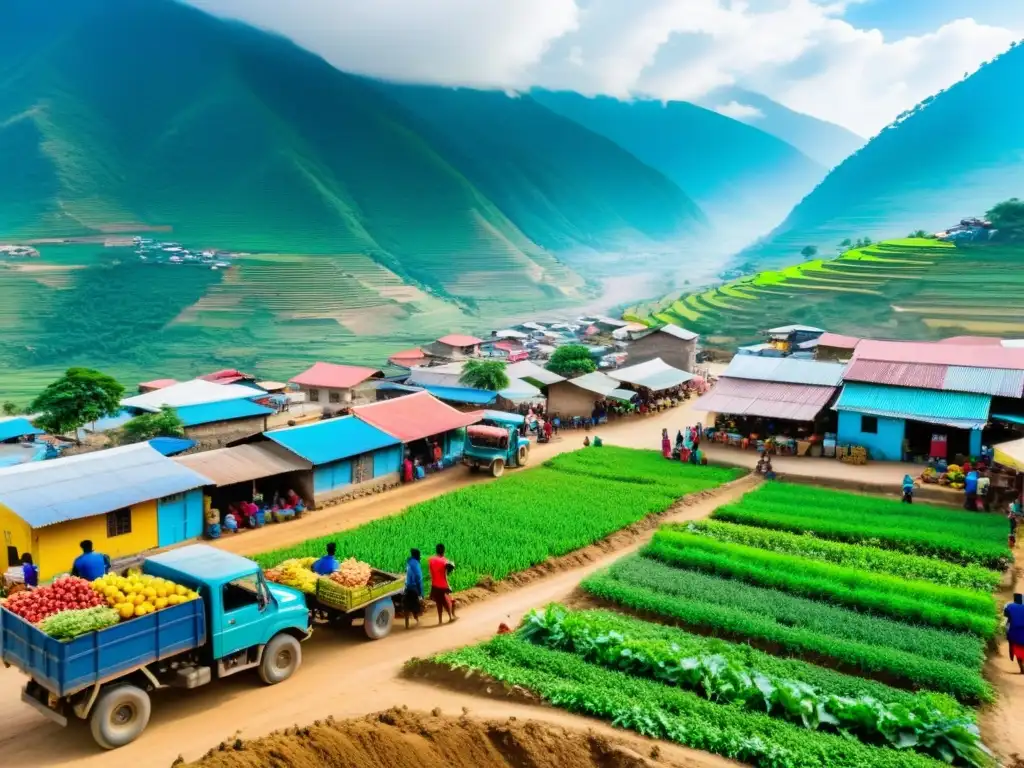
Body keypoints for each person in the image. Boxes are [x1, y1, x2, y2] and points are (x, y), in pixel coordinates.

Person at [428, 544, 456, 624]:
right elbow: (445, 575)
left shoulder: (431, 560)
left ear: (436, 550)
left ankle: (440, 620)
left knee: (438, 602)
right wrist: (448, 586)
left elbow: (431, 574)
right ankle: (450, 617)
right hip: (443, 586)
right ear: (443, 551)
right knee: (448, 601)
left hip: (434, 586)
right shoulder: (445, 561)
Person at [404, 548, 423, 629]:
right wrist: (421, 593)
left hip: (406, 587)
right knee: (416, 605)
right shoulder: (416, 564)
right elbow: (419, 578)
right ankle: (417, 621)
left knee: (407, 606)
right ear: (417, 555)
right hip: (413, 588)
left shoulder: (408, 562)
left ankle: (407, 624)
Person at [1005, 593, 1024, 674]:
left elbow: (1007, 618)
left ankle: (1021, 668)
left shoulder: (1009, 607)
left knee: (1017, 650)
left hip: (1014, 632)